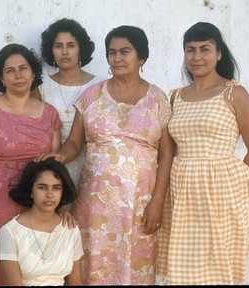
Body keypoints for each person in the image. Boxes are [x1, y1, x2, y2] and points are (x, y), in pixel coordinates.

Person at [36, 25, 175, 285]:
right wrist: (57, 157)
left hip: (139, 204)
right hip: (96, 204)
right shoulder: (92, 95)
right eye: (112, 53)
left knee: (136, 267)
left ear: (141, 57)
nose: (117, 58)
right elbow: (74, 143)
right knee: (94, 267)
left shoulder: (157, 98)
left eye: (125, 52)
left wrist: (157, 202)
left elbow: (166, 154)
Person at [157, 22, 249, 285]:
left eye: (205, 49)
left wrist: (234, 182)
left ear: (219, 53)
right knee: (185, 268)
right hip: (182, 190)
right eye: (190, 50)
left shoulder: (234, 93)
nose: (197, 57)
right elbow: (169, 150)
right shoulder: (176, 97)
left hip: (221, 193)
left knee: (217, 269)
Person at [0, 43, 62, 286]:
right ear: (1, 77)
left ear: (33, 73)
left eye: (23, 68)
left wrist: (61, 210)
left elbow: (54, 169)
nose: (18, 75)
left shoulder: (50, 115)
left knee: (32, 270)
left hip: (36, 205)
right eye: (10, 71)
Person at [0, 18, 105, 190]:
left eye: (70, 45)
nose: (64, 51)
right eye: (58, 46)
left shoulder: (100, 86)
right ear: (51, 51)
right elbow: (20, 109)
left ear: (80, 48)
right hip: (48, 163)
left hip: (90, 163)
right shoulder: (42, 85)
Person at [0, 158, 84, 286]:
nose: (49, 194)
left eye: (56, 188)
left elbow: (76, 283)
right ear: (31, 191)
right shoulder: (9, 233)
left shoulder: (70, 230)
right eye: (42, 187)